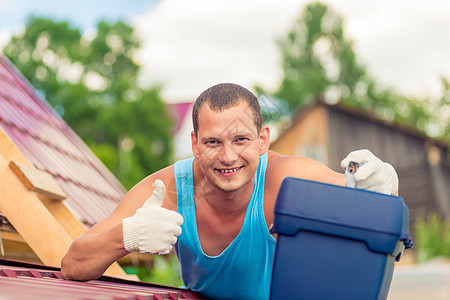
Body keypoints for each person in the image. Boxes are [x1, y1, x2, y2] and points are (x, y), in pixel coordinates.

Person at [61, 83, 399, 299]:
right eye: (212, 142)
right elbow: (73, 263)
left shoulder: (286, 178)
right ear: (194, 143)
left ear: (263, 139)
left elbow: (369, 199)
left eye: (241, 140)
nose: (227, 157)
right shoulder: (166, 191)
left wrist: (382, 183)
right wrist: (128, 234)